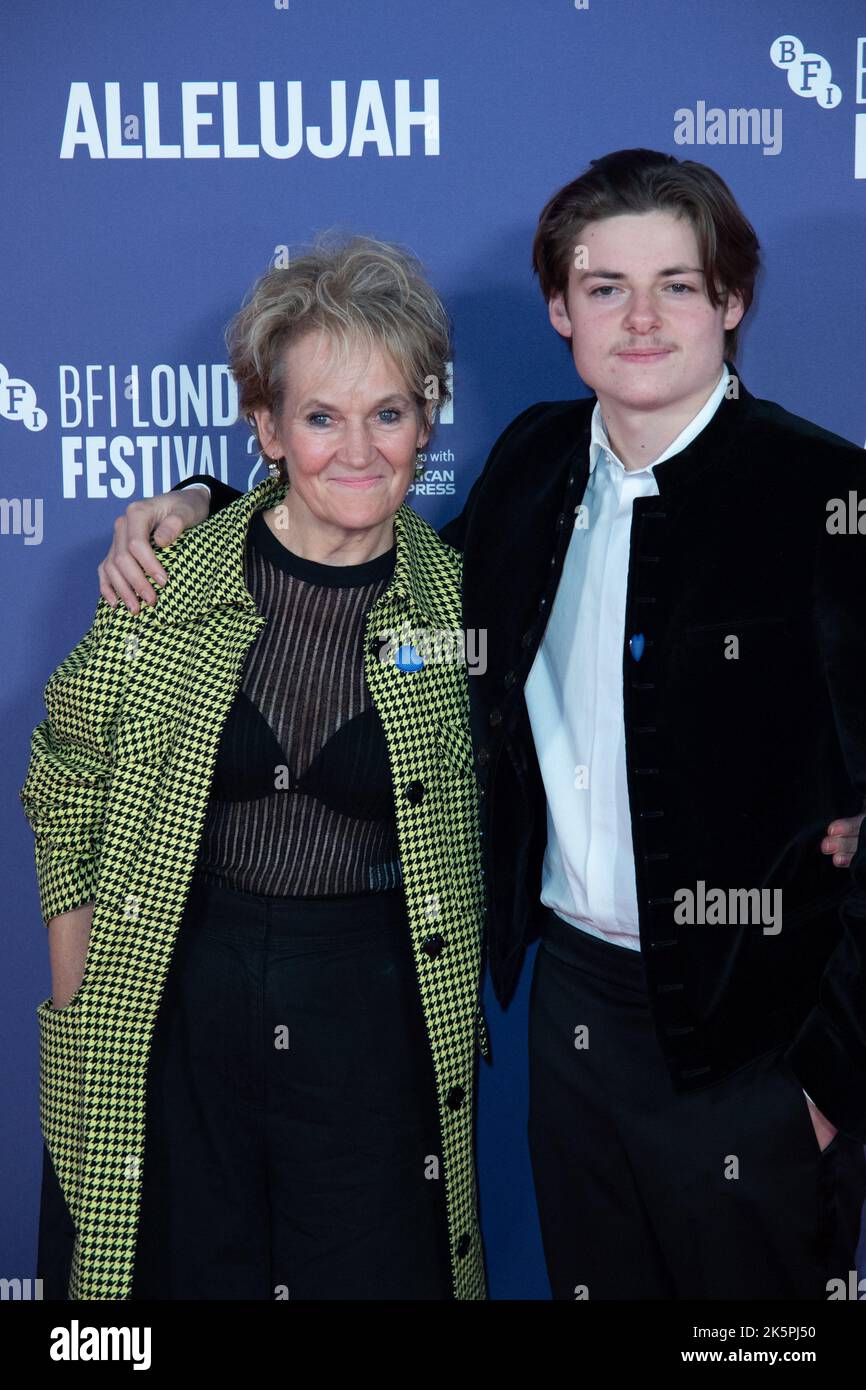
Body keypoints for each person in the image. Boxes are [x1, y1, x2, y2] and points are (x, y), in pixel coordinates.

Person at [98, 150, 866, 1302]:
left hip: (756, 1043)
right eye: (605, 286)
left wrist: (823, 1080)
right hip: (571, 1023)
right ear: (559, 307)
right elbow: (365, 538)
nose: (641, 317)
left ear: (732, 302)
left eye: (677, 283)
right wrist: (206, 503)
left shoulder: (828, 498)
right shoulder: (534, 464)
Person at [20, 236, 489, 1301]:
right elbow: (67, 770)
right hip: (178, 1001)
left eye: (389, 412)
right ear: (268, 429)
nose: (359, 449)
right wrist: (82, 993)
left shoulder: (467, 602)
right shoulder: (167, 575)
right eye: (321, 416)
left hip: (376, 1025)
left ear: (425, 421)